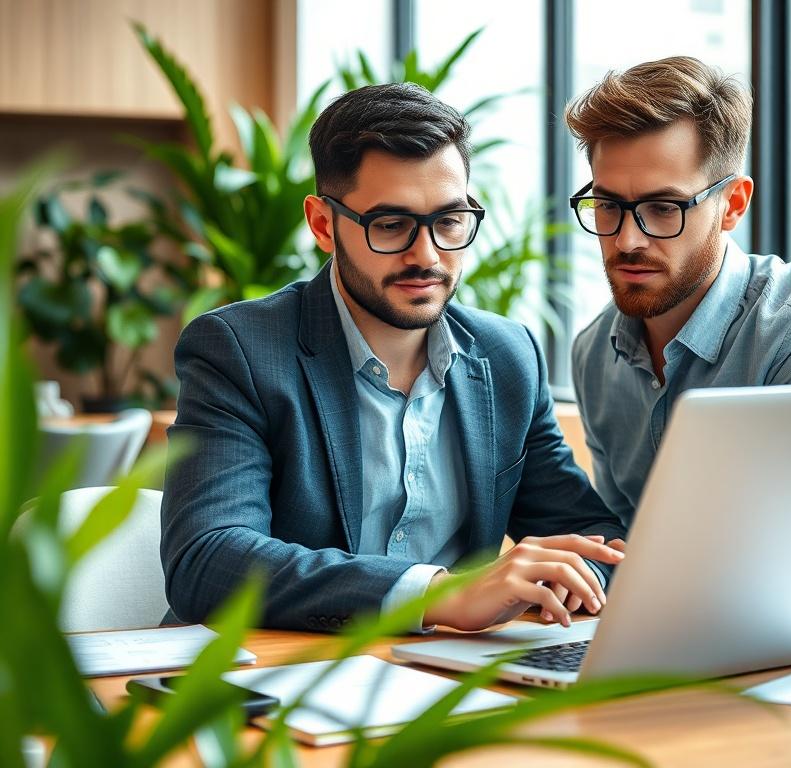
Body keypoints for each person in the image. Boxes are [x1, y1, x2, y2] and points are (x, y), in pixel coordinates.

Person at [161, 83, 626, 633]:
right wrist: (434, 594)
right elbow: (207, 560)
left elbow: (590, 535)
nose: (426, 255)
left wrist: (573, 577)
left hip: (445, 675)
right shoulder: (239, 349)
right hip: (276, 675)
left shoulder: (507, 357)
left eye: (450, 221)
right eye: (390, 225)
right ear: (322, 224)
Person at [565, 56, 791, 528]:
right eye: (608, 205)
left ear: (732, 205)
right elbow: (623, 543)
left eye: (664, 207)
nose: (627, 240)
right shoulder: (593, 352)